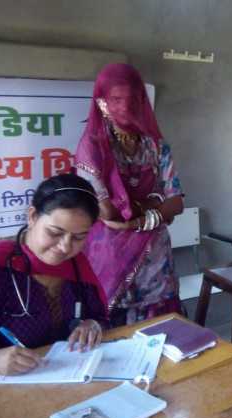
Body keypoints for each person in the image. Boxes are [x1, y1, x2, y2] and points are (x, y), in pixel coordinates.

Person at [0, 174, 109, 376]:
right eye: (55, 232)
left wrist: (92, 325)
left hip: (69, 380)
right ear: (32, 216)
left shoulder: (77, 266)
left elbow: (99, 318)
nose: (65, 247)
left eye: (78, 237)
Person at [75, 63, 184, 325]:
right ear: (102, 103)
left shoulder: (156, 145)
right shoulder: (92, 146)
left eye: (132, 99)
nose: (125, 106)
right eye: (116, 99)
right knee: (113, 338)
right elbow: (108, 212)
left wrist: (138, 219)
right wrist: (155, 201)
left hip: (156, 261)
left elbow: (177, 202)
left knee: (163, 336)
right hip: (110, 259)